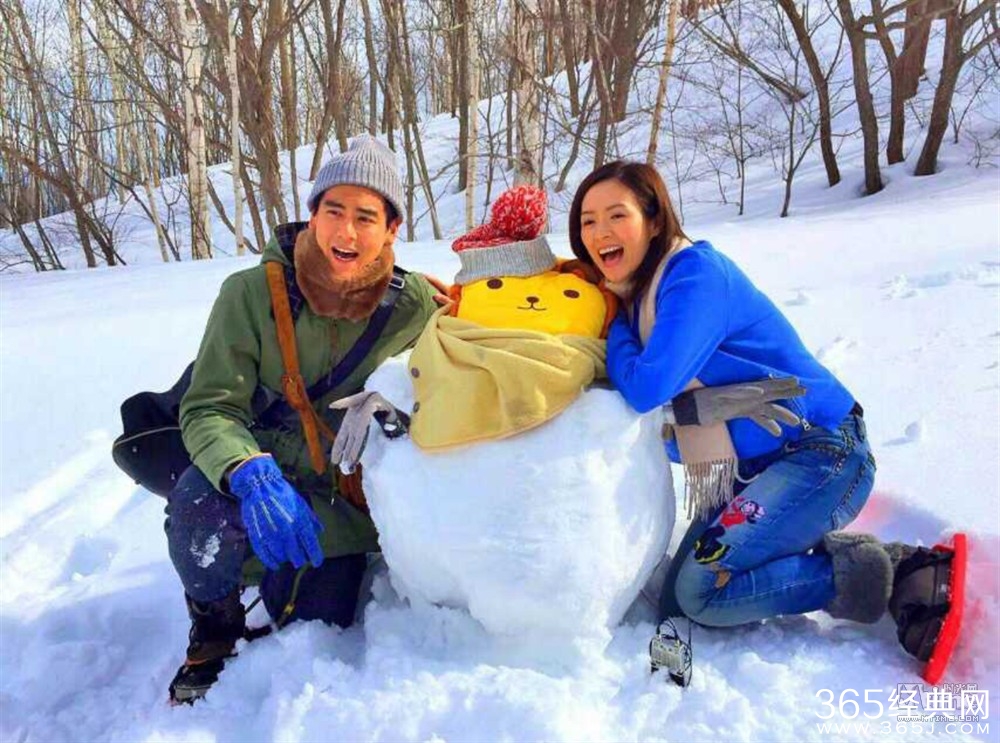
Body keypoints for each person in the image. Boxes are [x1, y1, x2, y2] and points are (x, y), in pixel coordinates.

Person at [567, 160, 954, 665]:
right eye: (587, 221)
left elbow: (646, 388)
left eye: (616, 215)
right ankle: (796, 541)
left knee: (703, 592)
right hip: (753, 474)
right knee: (673, 601)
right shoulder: (644, 301)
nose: (600, 232)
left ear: (655, 220)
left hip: (822, 453)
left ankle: (893, 569)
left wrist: (611, 319)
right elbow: (665, 416)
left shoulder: (693, 276)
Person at [165, 136, 439, 704]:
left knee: (321, 619)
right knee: (196, 511)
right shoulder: (248, 294)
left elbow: (477, 353)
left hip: (340, 490)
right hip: (260, 466)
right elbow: (210, 405)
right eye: (333, 211)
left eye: (366, 217)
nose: (346, 232)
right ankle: (214, 626)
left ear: (391, 229)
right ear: (311, 215)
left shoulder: (412, 303)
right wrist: (247, 470)